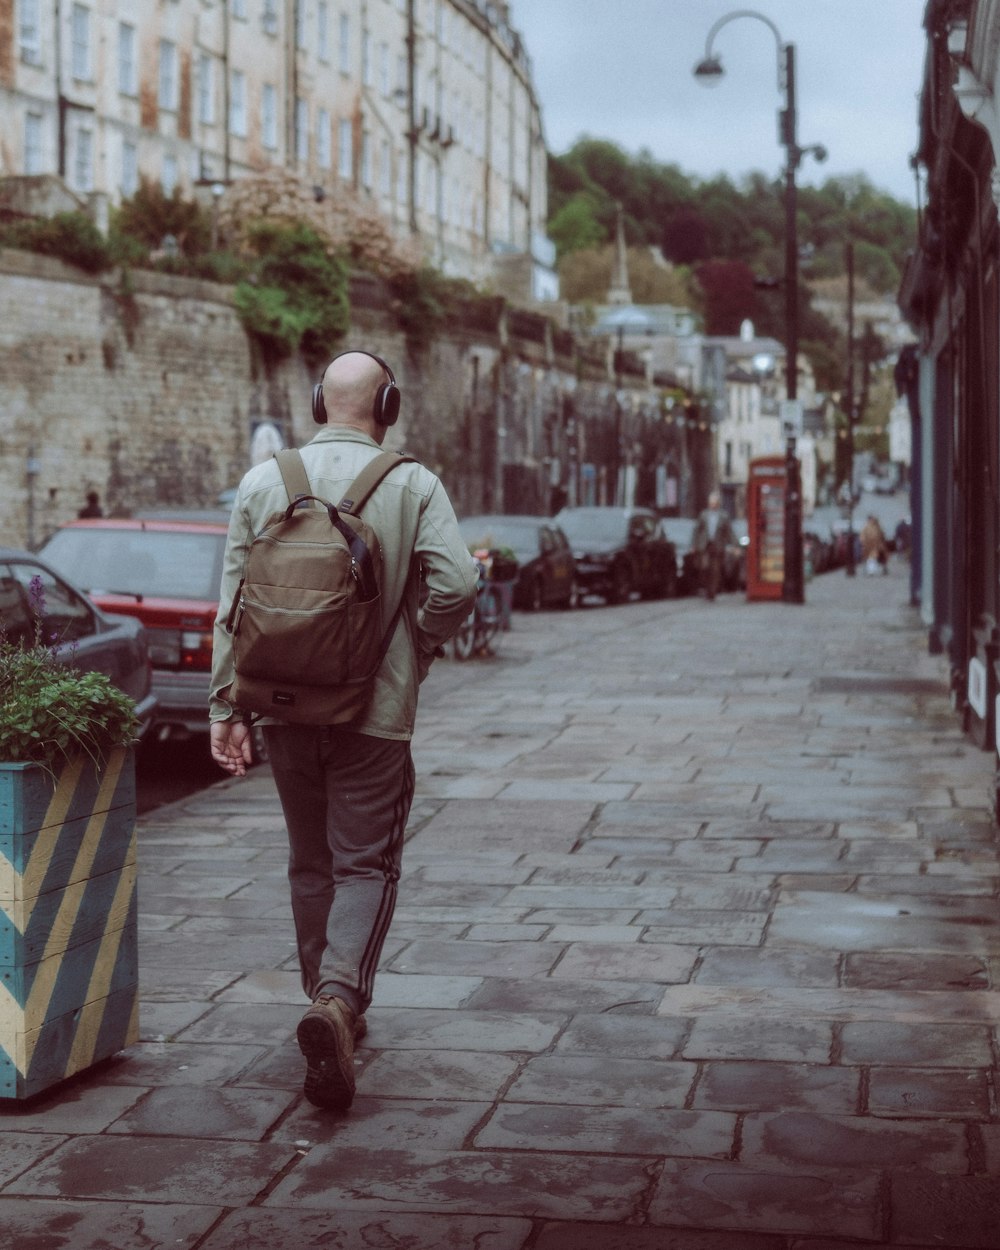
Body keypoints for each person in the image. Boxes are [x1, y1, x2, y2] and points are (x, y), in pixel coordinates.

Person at [208, 351, 478, 1112]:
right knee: (366, 863)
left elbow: (230, 606)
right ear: (387, 404)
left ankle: (320, 1001)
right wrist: (417, 644)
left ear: (317, 401)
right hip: (374, 712)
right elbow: (457, 584)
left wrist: (225, 711)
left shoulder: (265, 481)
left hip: (284, 706)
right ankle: (337, 1003)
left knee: (310, 861)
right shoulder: (413, 483)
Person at [691, 490, 733, 601]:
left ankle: (712, 592)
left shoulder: (724, 516)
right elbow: (696, 530)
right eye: (711, 502)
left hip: (717, 546)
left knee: (715, 570)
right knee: (704, 568)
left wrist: (734, 545)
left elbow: (729, 532)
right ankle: (706, 587)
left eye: (714, 502)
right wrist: (694, 545)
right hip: (705, 545)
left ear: (718, 503)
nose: (712, 504)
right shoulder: (703, 514)